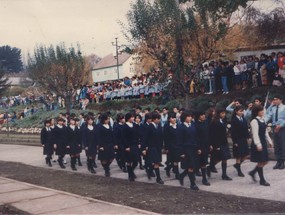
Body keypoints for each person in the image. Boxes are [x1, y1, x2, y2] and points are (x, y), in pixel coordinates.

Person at [249, 105, 273, 186]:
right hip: (258, 142)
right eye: (261, 111)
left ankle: (253, 172)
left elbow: (265, 132)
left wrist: (269, 141)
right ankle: (262, 180)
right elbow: (255, 134)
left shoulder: (263, 120)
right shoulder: (254, 121)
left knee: (265, 161)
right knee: (261, 161)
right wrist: (258, 144)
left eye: (263, 110)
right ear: (256, 112)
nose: (263, 112)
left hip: (263, 141)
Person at [178, 111, 201, 190]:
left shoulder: (193, 125)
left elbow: (196, 137)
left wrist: (198, 148)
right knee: (190, 166)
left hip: (194, 148)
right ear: (184, 118)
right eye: (189, 116)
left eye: (191, 116)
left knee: (194, 166)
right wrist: (182, 152)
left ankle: (182, 175)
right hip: (186, 149)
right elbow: (179, 140)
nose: (190, 118)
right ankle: (192, 184)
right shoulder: (181, 127)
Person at [208, 109, 232, 180]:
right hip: (218, 143)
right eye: (222, 113)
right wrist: (216, 145)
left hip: (224, 142)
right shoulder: (214, 122)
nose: (224, 114)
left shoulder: (223, 121)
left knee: (225, 158)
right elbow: (213, 134)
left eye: (224, 113)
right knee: (218, 158)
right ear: (218, 114)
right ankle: (209, 168)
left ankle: (224, 175)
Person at [143, 112, 164, 184]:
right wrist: (144, 148)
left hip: (158, 147)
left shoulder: (159, 126)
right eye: (158, 119)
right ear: (154, 119)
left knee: (155, 162)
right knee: (156, 162)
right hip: (152, 147)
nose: (159, 120)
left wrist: (162, 146)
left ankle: (149, 171)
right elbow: (145, 138)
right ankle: (158, 178)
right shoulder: (149, 127)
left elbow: (161, 137)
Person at [265, 94, 285, 169]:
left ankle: (282, 162)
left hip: (282, 128)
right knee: (276, 145)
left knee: (282, 145)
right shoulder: (273, 108)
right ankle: (278, 161)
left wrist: (280, 125)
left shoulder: (284, 108)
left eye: (276, 99)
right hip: (274, 128)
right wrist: (262, 122)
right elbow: (267, 114)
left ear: (281, 100)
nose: (275, 101)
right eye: (274, 100)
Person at [231, 106, 250, 177]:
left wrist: (248, 136)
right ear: (236, 112)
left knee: (245, 154)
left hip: (243, 139)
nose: (241, 112)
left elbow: (246, 128)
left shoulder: (243, 119)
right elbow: (233, 132)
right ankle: (239, 171)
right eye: (240, 111)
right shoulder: (234, 120)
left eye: (242, 111)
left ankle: (237, 165)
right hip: (238, 139)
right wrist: (235, 141)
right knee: (238, 156)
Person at [122, 113, 140, 181]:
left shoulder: (135, 125)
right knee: (129, 161)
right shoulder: (125, 126)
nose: (133, 118)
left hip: (135, 145)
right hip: (128, 146)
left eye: (133, 117)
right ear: (128, 118)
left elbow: (137, 135)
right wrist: (126, 146)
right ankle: (130, 175)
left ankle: (131, 171)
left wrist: (138, 143)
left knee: (136, 160)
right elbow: (124, 138)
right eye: (132, 117)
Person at [195, 111, 211, 185]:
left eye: (204, 114)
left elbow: (208, 134)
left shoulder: (206, 123)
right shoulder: (195, 124)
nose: (204, 116)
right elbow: (196, 137)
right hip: (199, 146)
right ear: (198, 116)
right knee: (198, 162)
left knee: (204, 162)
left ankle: (204, 179)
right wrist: (198, 148)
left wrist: (210, 144)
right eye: (202, 115)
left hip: (206, 145)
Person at [163, 112, 180, 180]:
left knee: (177, 160)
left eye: (174, 117)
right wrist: (166, 147)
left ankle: (168, 168)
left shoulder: (178, 125)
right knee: (175, 160)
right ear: (169, 119)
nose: (174, 119)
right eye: (172, 118)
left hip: (178, 145)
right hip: (171, 146)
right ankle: (177, 174)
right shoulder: (167, 127)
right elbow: (166, 138)